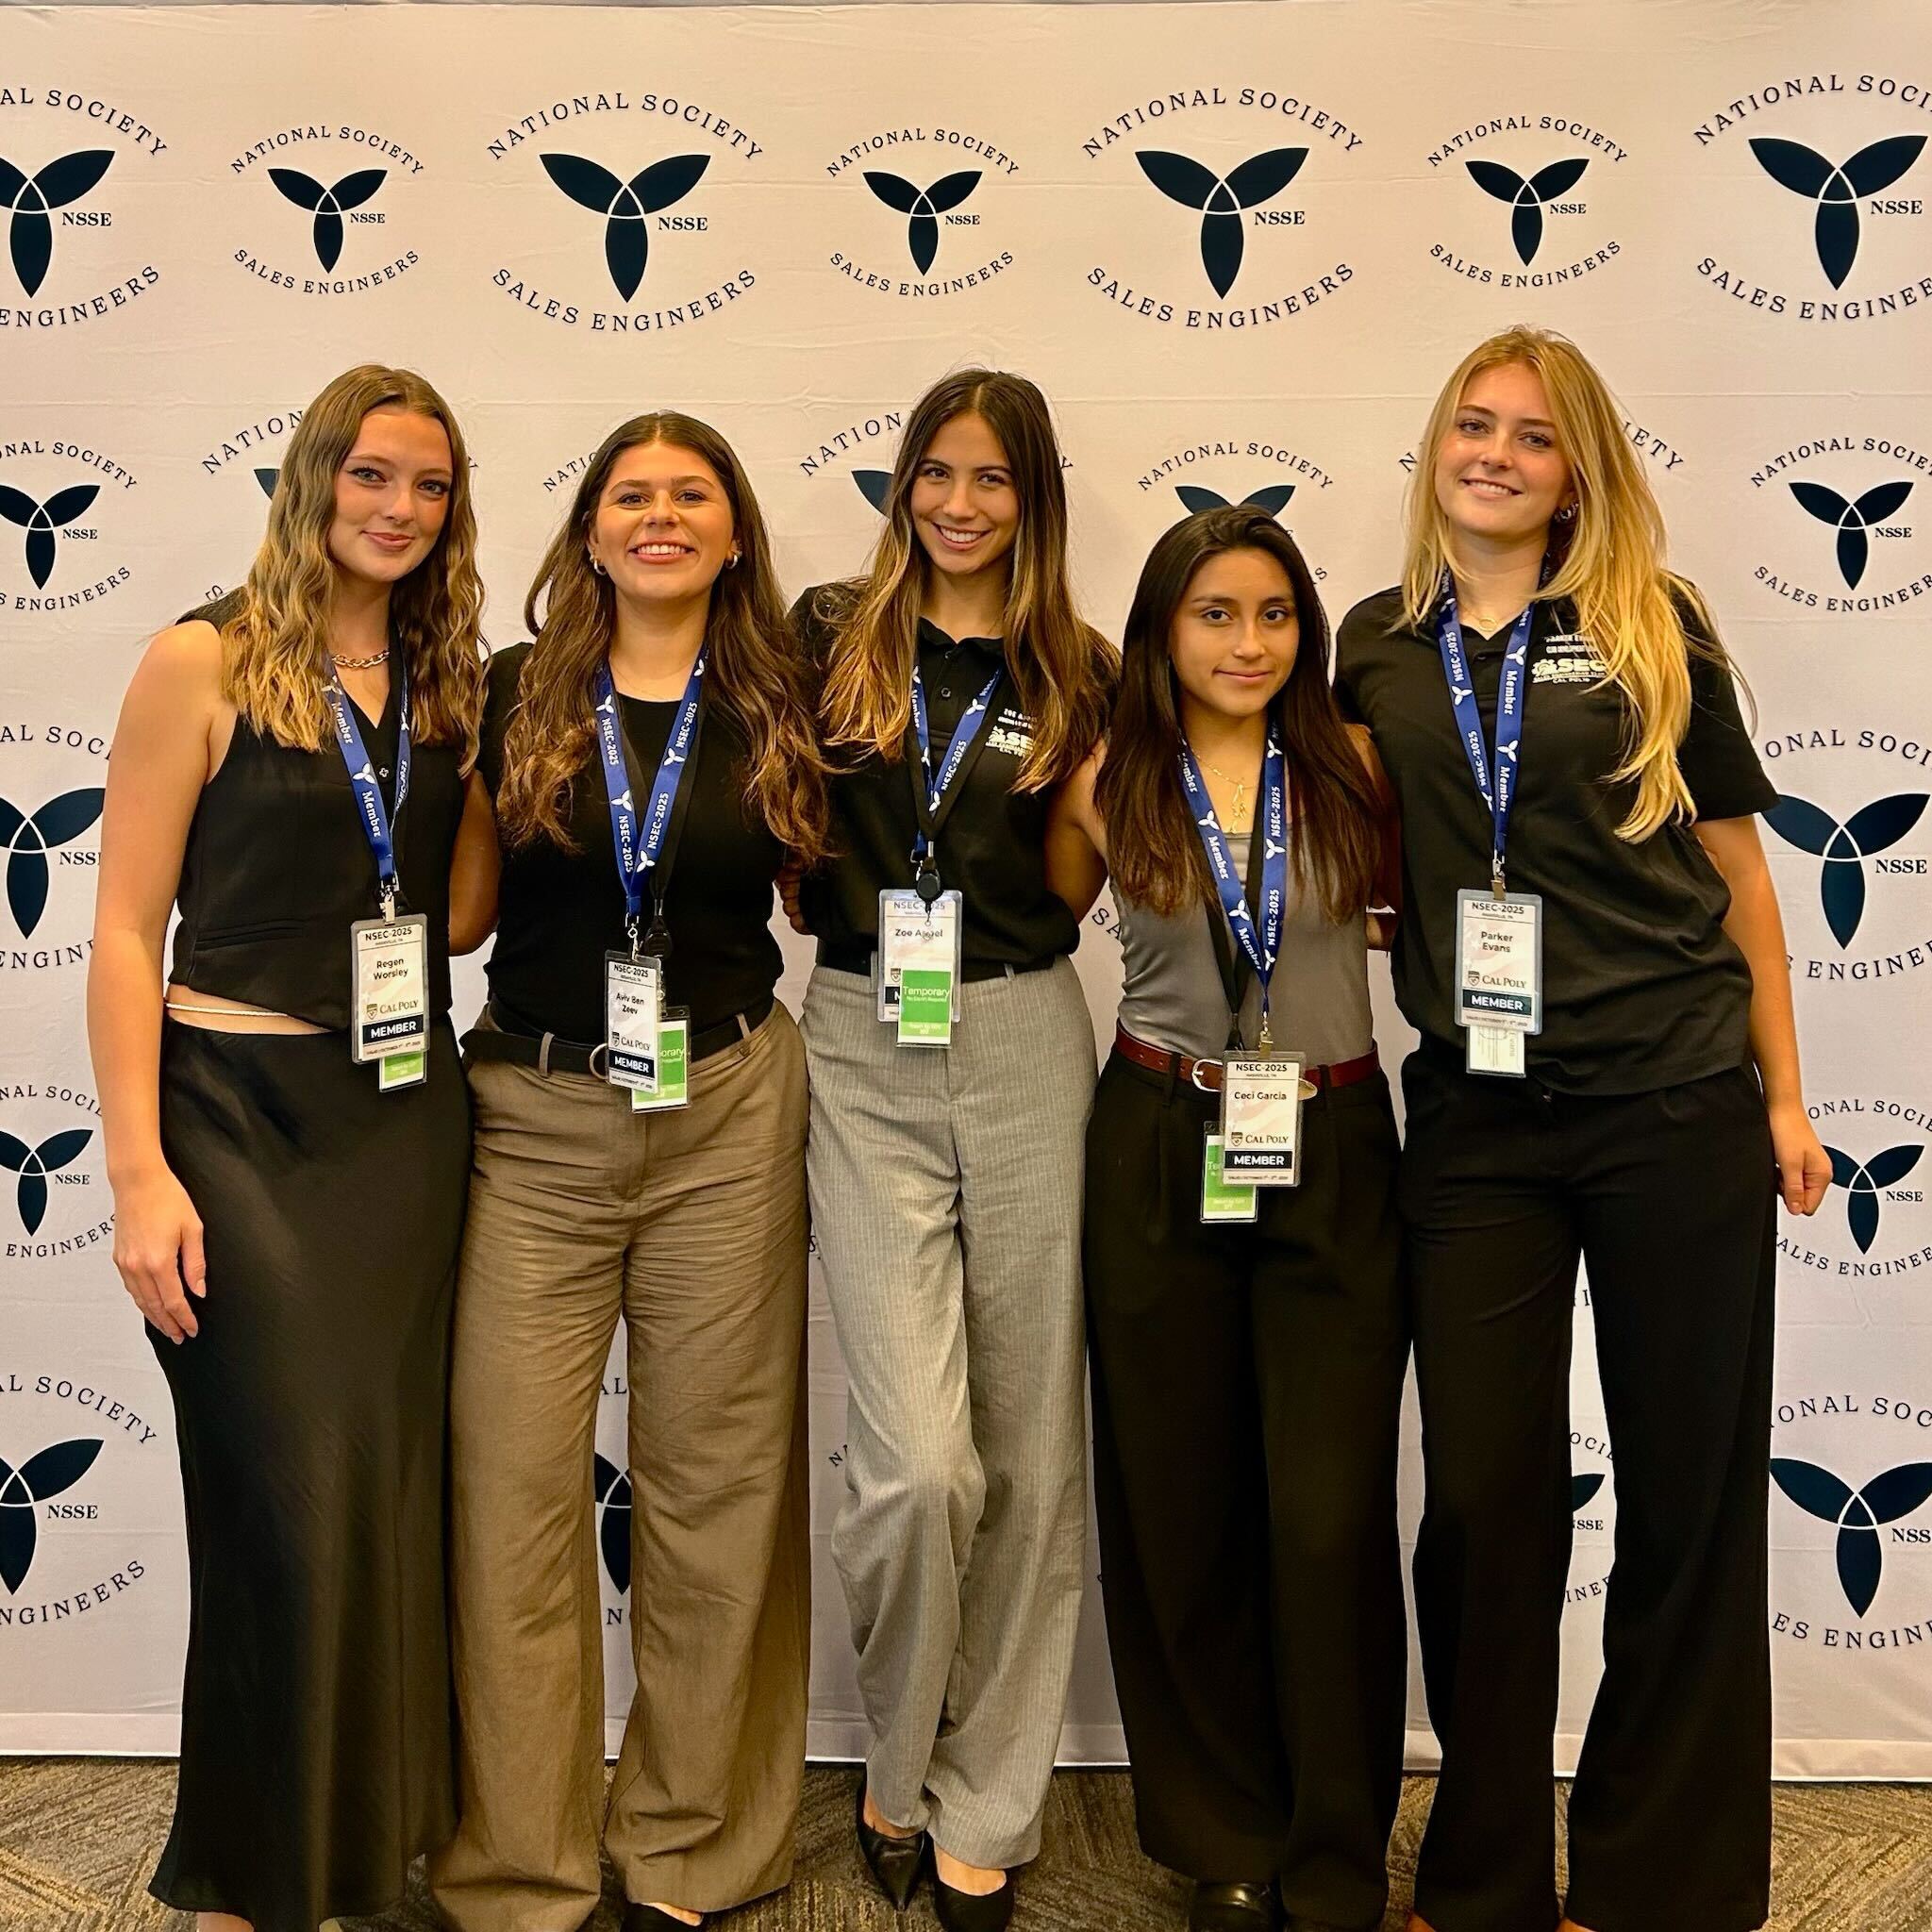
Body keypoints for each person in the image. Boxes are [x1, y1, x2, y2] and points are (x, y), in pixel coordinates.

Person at [1335, 325, 1832, 1932]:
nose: (1494, 453)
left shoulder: (1652, 627)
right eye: (1470, 424)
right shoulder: (1374, 645)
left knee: (1688, 1491)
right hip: (1475, 1122)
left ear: (1580, 471)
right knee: (1483, 1501)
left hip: (1676, 1102)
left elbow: (1745, 878)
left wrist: (1787, 1094)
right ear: (1436, 446)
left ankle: (1660, 1879)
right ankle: (1480, 1876)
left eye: (1533, 438)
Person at [88, 364, 486, 1932]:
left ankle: (361, 1855)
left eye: (430, 487)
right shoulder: (200, 661)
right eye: (372, 475)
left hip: (406, 1129)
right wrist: (136, 1171)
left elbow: (454, 914)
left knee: (383, 1493)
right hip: (236, 1132)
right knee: (280, 1503)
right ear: (313, 478)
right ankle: (245, 1884)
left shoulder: (448, 680)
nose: (397, 509)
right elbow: (121, 934)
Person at [428, 413, 827, 1932]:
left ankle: (692, 1850)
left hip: (727, 1105)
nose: (660, 516)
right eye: (630, 496)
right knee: (512, 1486)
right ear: (589, 530)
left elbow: (823, 882)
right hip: (534, 1121)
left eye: (692, 496)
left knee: (717, 1491)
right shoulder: (517, 693)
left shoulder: (782, 696)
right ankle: (519, 1866)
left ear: (734, 534)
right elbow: (461, 916)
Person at [1046, 505, 1407, 1932]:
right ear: (1160, 631)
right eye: (1214, 615)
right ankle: (1223, 1840)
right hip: (1157, 1135)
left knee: (1323, 1516)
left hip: (1332, 1139)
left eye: (1272, 615)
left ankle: (1333, 1844)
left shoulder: (1358, 770)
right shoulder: (1100, 779)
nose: (1247, 642)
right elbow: (1041, 925)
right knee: (1178, 1506)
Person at [786, 368, 1112, 1932]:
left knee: (1033, 1448)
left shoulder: (1084, 668)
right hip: (858, 1032)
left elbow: (1081, 877)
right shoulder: (824, 632)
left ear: (1032, 497)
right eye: (937, 472)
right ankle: (894, 1763)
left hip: (1027, 1033)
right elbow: (786, 832)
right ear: (903, 482)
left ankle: (992, 1795)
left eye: (992, 479)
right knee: (920, 1464)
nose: (961, 504)